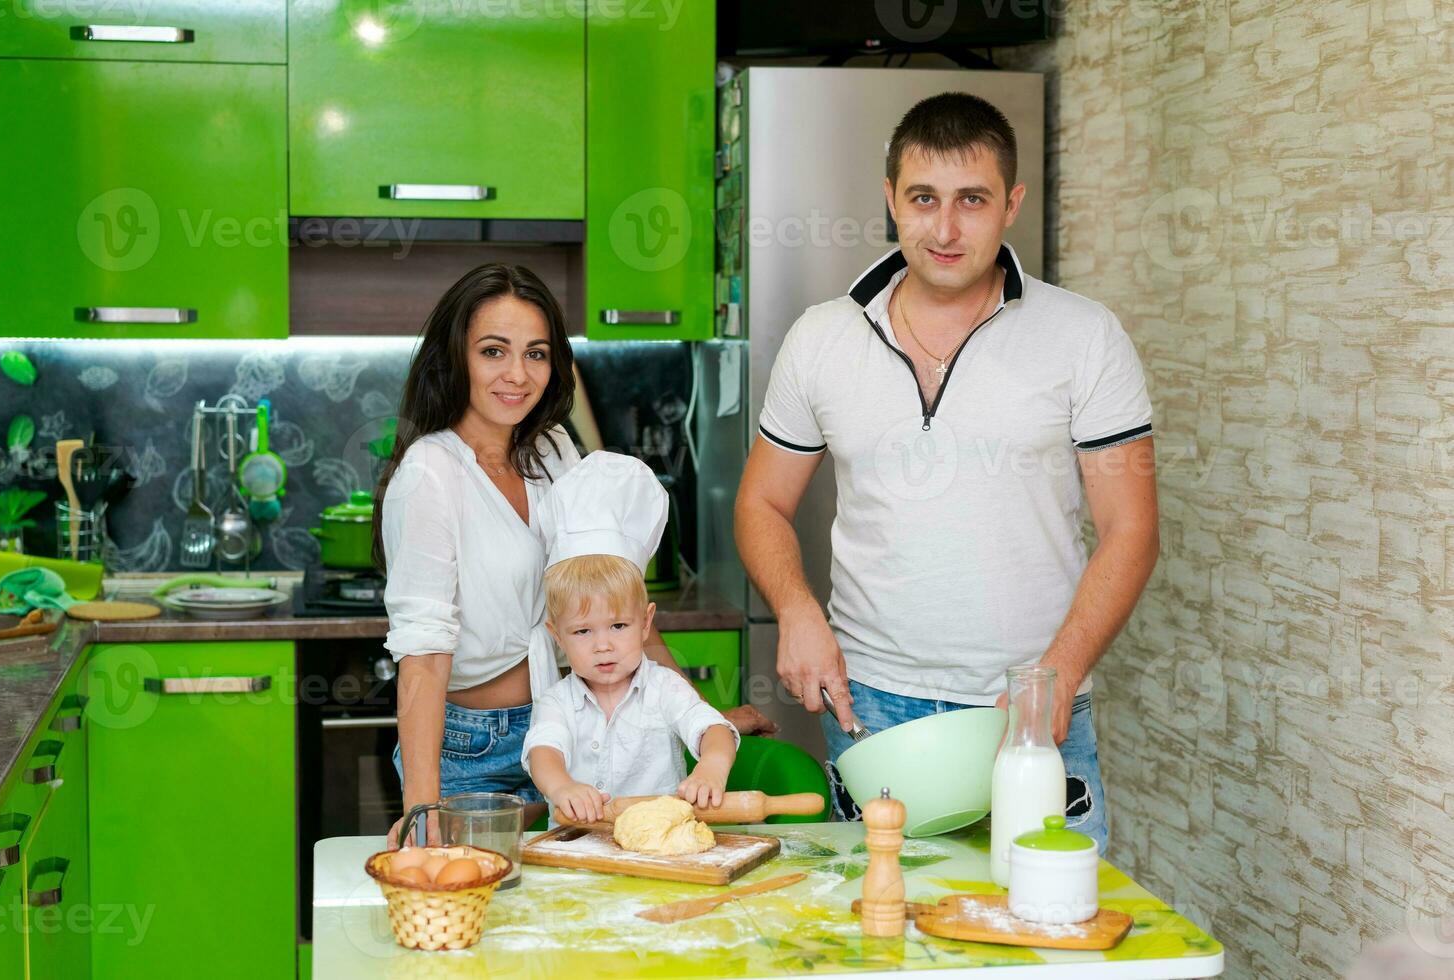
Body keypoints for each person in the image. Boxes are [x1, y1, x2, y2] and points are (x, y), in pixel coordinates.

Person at [734, 93, 1160, 852]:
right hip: (871, 707)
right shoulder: (822, 338)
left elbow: (1133, 530)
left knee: (1049, 941)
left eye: (973, 200)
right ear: (891, 198)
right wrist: (797, 610)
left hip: (1029, 710)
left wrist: (1055, 679)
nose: (946, 227)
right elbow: (762, 502)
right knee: (883, 943)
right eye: (924, 198)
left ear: (1012, 205)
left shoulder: (1085, 337)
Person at [375, 264, 766, 846]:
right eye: (493, 351)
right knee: (481, 915)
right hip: (469, 749)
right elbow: (425, 657)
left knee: (577, 908)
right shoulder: (431, 474)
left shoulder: (553, 448)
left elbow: (613, 598)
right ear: (455, 357)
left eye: (536, 353)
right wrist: (422, 809)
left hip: (575, 728)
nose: (517, 374)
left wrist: (697, 718)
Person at [522, 452, 739, 823]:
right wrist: (562, 788)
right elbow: (544, 752)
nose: (602, 645)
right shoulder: (557, 701)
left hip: (658, 847)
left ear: (645, 623)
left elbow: (713, 728)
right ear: (557, 635)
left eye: (618, 626)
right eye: (583, 631)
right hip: (580, 851)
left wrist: (711, 768)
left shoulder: (663, 689)